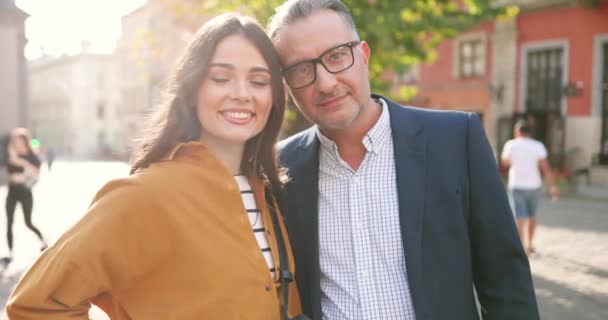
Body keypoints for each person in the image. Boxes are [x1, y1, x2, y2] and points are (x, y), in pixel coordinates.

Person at [7, 13, 302, 319]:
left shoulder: (269, 193)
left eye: (258, 81)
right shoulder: (143, 196)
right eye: (221, 78)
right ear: (192, 89)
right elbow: (35, 303)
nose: (242, 94)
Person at [268, 1, 539, 319]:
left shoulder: (455, 139)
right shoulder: (280, 167)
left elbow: (506, 280)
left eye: (337, 55)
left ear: (364, 56)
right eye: (302, 69)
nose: (326, 82)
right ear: (287, 86)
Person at [501, 119, 559, 255]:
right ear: (529, 133)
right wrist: (553, 186)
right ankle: (530, 244)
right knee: (532, 215)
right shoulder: (537, 145)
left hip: (517, 185)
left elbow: (505, 163)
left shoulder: (511, 145)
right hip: (534, 185)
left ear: (517, 131)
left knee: (519, 216)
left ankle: (521, 246)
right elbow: (546, 167)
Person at [5, 128, 47, 261]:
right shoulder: (12, 154)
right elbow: (10, 165)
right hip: (12, 191)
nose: (16, 142)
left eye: (19, 139)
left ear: (24, 140)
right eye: (14, 140)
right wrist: (13, 155)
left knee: (28, 222)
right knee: (9, 222)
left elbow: (37, 171)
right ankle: (10, 252)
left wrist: (23, 165)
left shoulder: (31, 156)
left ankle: (44, 242)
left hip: (25, 192)